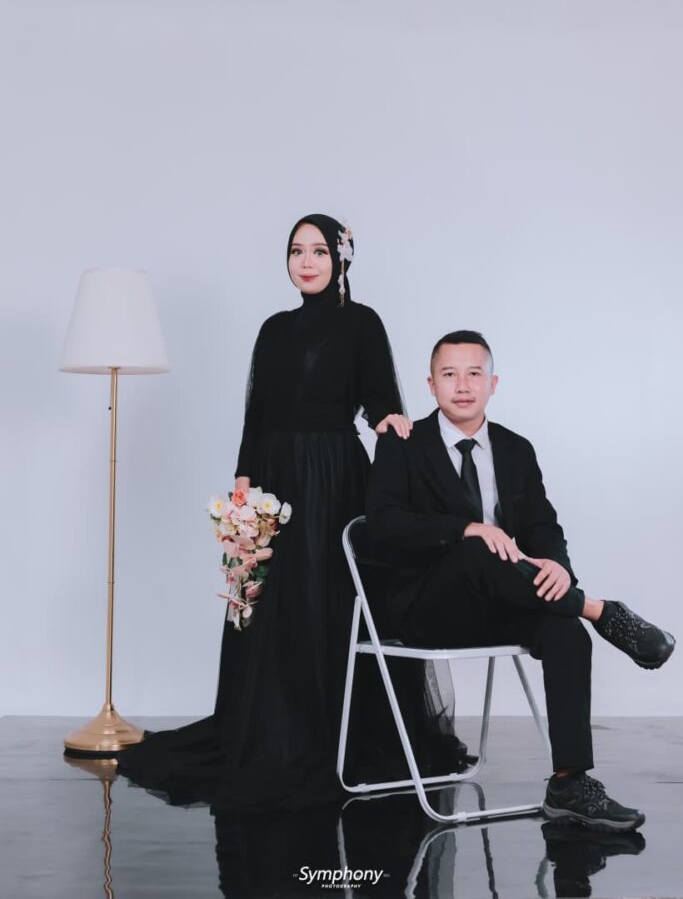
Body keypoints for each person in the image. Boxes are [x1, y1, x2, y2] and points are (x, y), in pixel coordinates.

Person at [116, 215, 460, 811]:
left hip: (333, 477)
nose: (306, 261)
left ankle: (333, 735)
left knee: (325, 600)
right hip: (274, 480)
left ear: (341, 259)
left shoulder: (361, 322)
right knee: (268, 602)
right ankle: (270, 733)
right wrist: (243, 485)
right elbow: (257, 414)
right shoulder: (273, 329)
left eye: (319, 251)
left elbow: (379, 400)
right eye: (297, 251)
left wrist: (390, 421)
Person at [366, 329, 675, 832]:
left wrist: (557, 565)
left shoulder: (515, 449)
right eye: (449, 374)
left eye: (474, 374)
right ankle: (600, 611)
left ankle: (569, 785)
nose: (462, 385)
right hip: (428, 610)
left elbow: (542, 527)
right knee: (478, 545)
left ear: (493, 383)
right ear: (430, 384)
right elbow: (383, 527)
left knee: (565, 633)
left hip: (500, 600)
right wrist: (466, 529)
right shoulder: (403, 444)